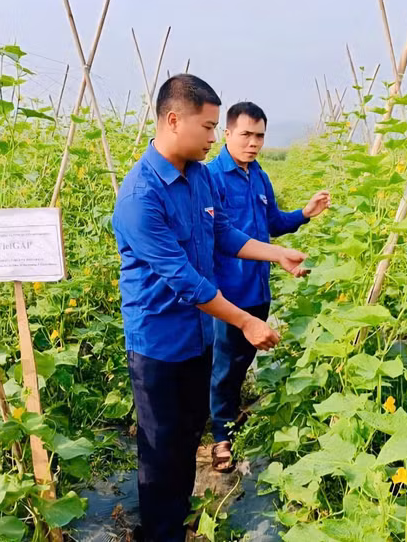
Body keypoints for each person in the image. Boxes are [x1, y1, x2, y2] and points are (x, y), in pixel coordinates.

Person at [111, 75, 309, 542]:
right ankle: (161, 532)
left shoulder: (198, 177)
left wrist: (276, 253)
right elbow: (184, 279)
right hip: (158, 345)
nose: (213, 137)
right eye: (207, 126)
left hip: (198, 336)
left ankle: (177, 517)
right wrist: (245, 320)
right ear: (173, 120)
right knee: (160, 450)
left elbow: (222, 235)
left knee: (186, 435)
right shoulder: (141, 196)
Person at [206, 102, 330, 472]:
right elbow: (218, 236)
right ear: (227, 133)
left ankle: (228, 413)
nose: (254, 143)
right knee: (225, 365)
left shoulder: (259, 176)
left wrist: (304, 214)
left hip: (258, 288)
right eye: (246, 134)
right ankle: (220, 437)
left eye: (259, 136)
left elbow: (273, 222)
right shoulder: (211, 178)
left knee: (241, 361)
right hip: (227, 293)